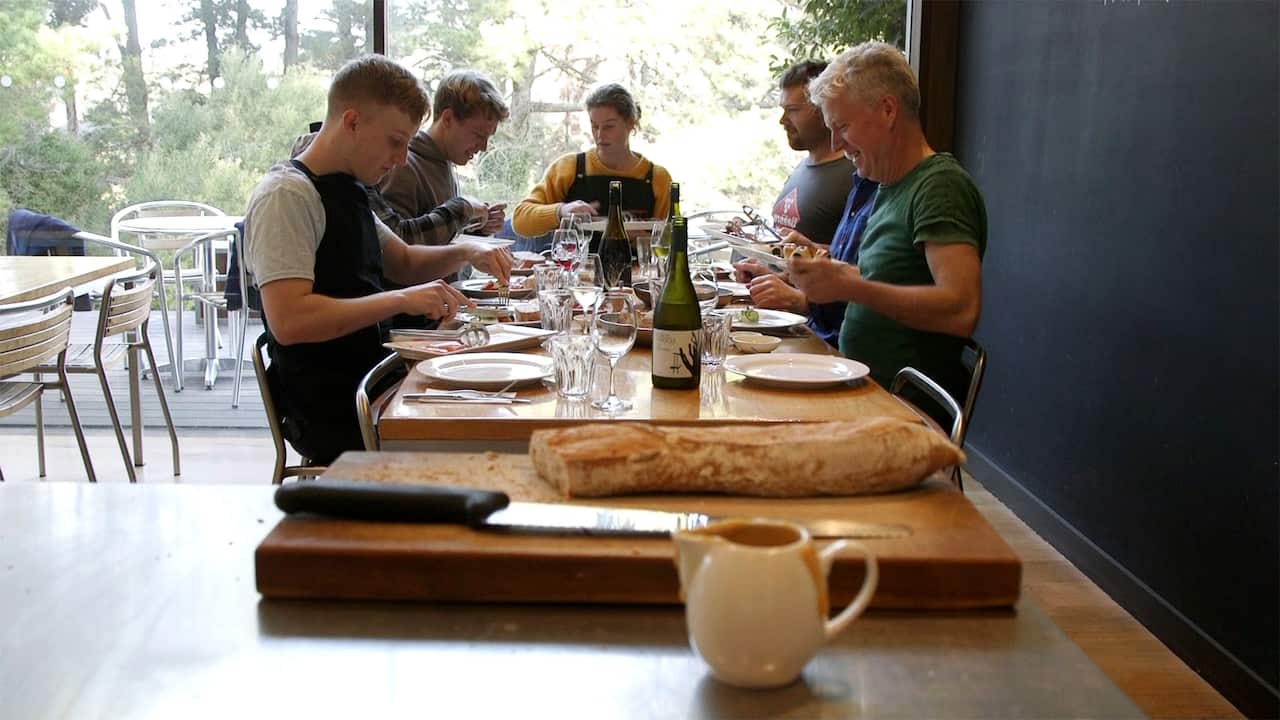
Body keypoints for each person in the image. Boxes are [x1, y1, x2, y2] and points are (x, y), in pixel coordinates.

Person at [243, 55, 512, 465]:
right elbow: (290, 320)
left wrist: (466, 250)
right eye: (395, 141)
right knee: (494, 434)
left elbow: (402, 260)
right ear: (351, 122)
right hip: (339, 407)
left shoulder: (348, 189)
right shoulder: (288, 195)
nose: (403, 158)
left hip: (376, 380)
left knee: (499, 401)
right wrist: (402, 301)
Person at [788, 41, 987, 398]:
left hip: (898, 409)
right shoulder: (888, 185)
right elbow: (887, 279)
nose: (836, 143)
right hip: (854, 385)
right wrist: (835, 275)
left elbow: (961, 309)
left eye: (843, 126)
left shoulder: (939, 186)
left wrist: (849, 286)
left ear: (887, 110)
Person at [733, 60, 873, 346]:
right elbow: (839, 262)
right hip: (805, 327)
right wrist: (777, 270)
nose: (783, 120)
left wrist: (801, 300)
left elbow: (861, 279)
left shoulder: (857, 175)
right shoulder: (804, 169)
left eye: (793, 110)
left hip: (824, 337)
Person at [511, 83, 672, 252]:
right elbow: (520, 220)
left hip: (638, 276)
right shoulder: (569, 168)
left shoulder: (658, 179)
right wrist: (561, 210)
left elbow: (670, 246)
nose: (600, 135)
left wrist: (643, 240)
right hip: (577, 274)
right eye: (594, 126)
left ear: (631, 123)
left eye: (609, 126)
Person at [374, 69, 509, 246]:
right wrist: (463, 208)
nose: (483, 147)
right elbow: (396, 245)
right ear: (448, 119)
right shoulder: (403, 167)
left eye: (488, 138)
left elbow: (434, 231)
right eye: (478, 135)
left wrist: (477, 227)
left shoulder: (444, 163)